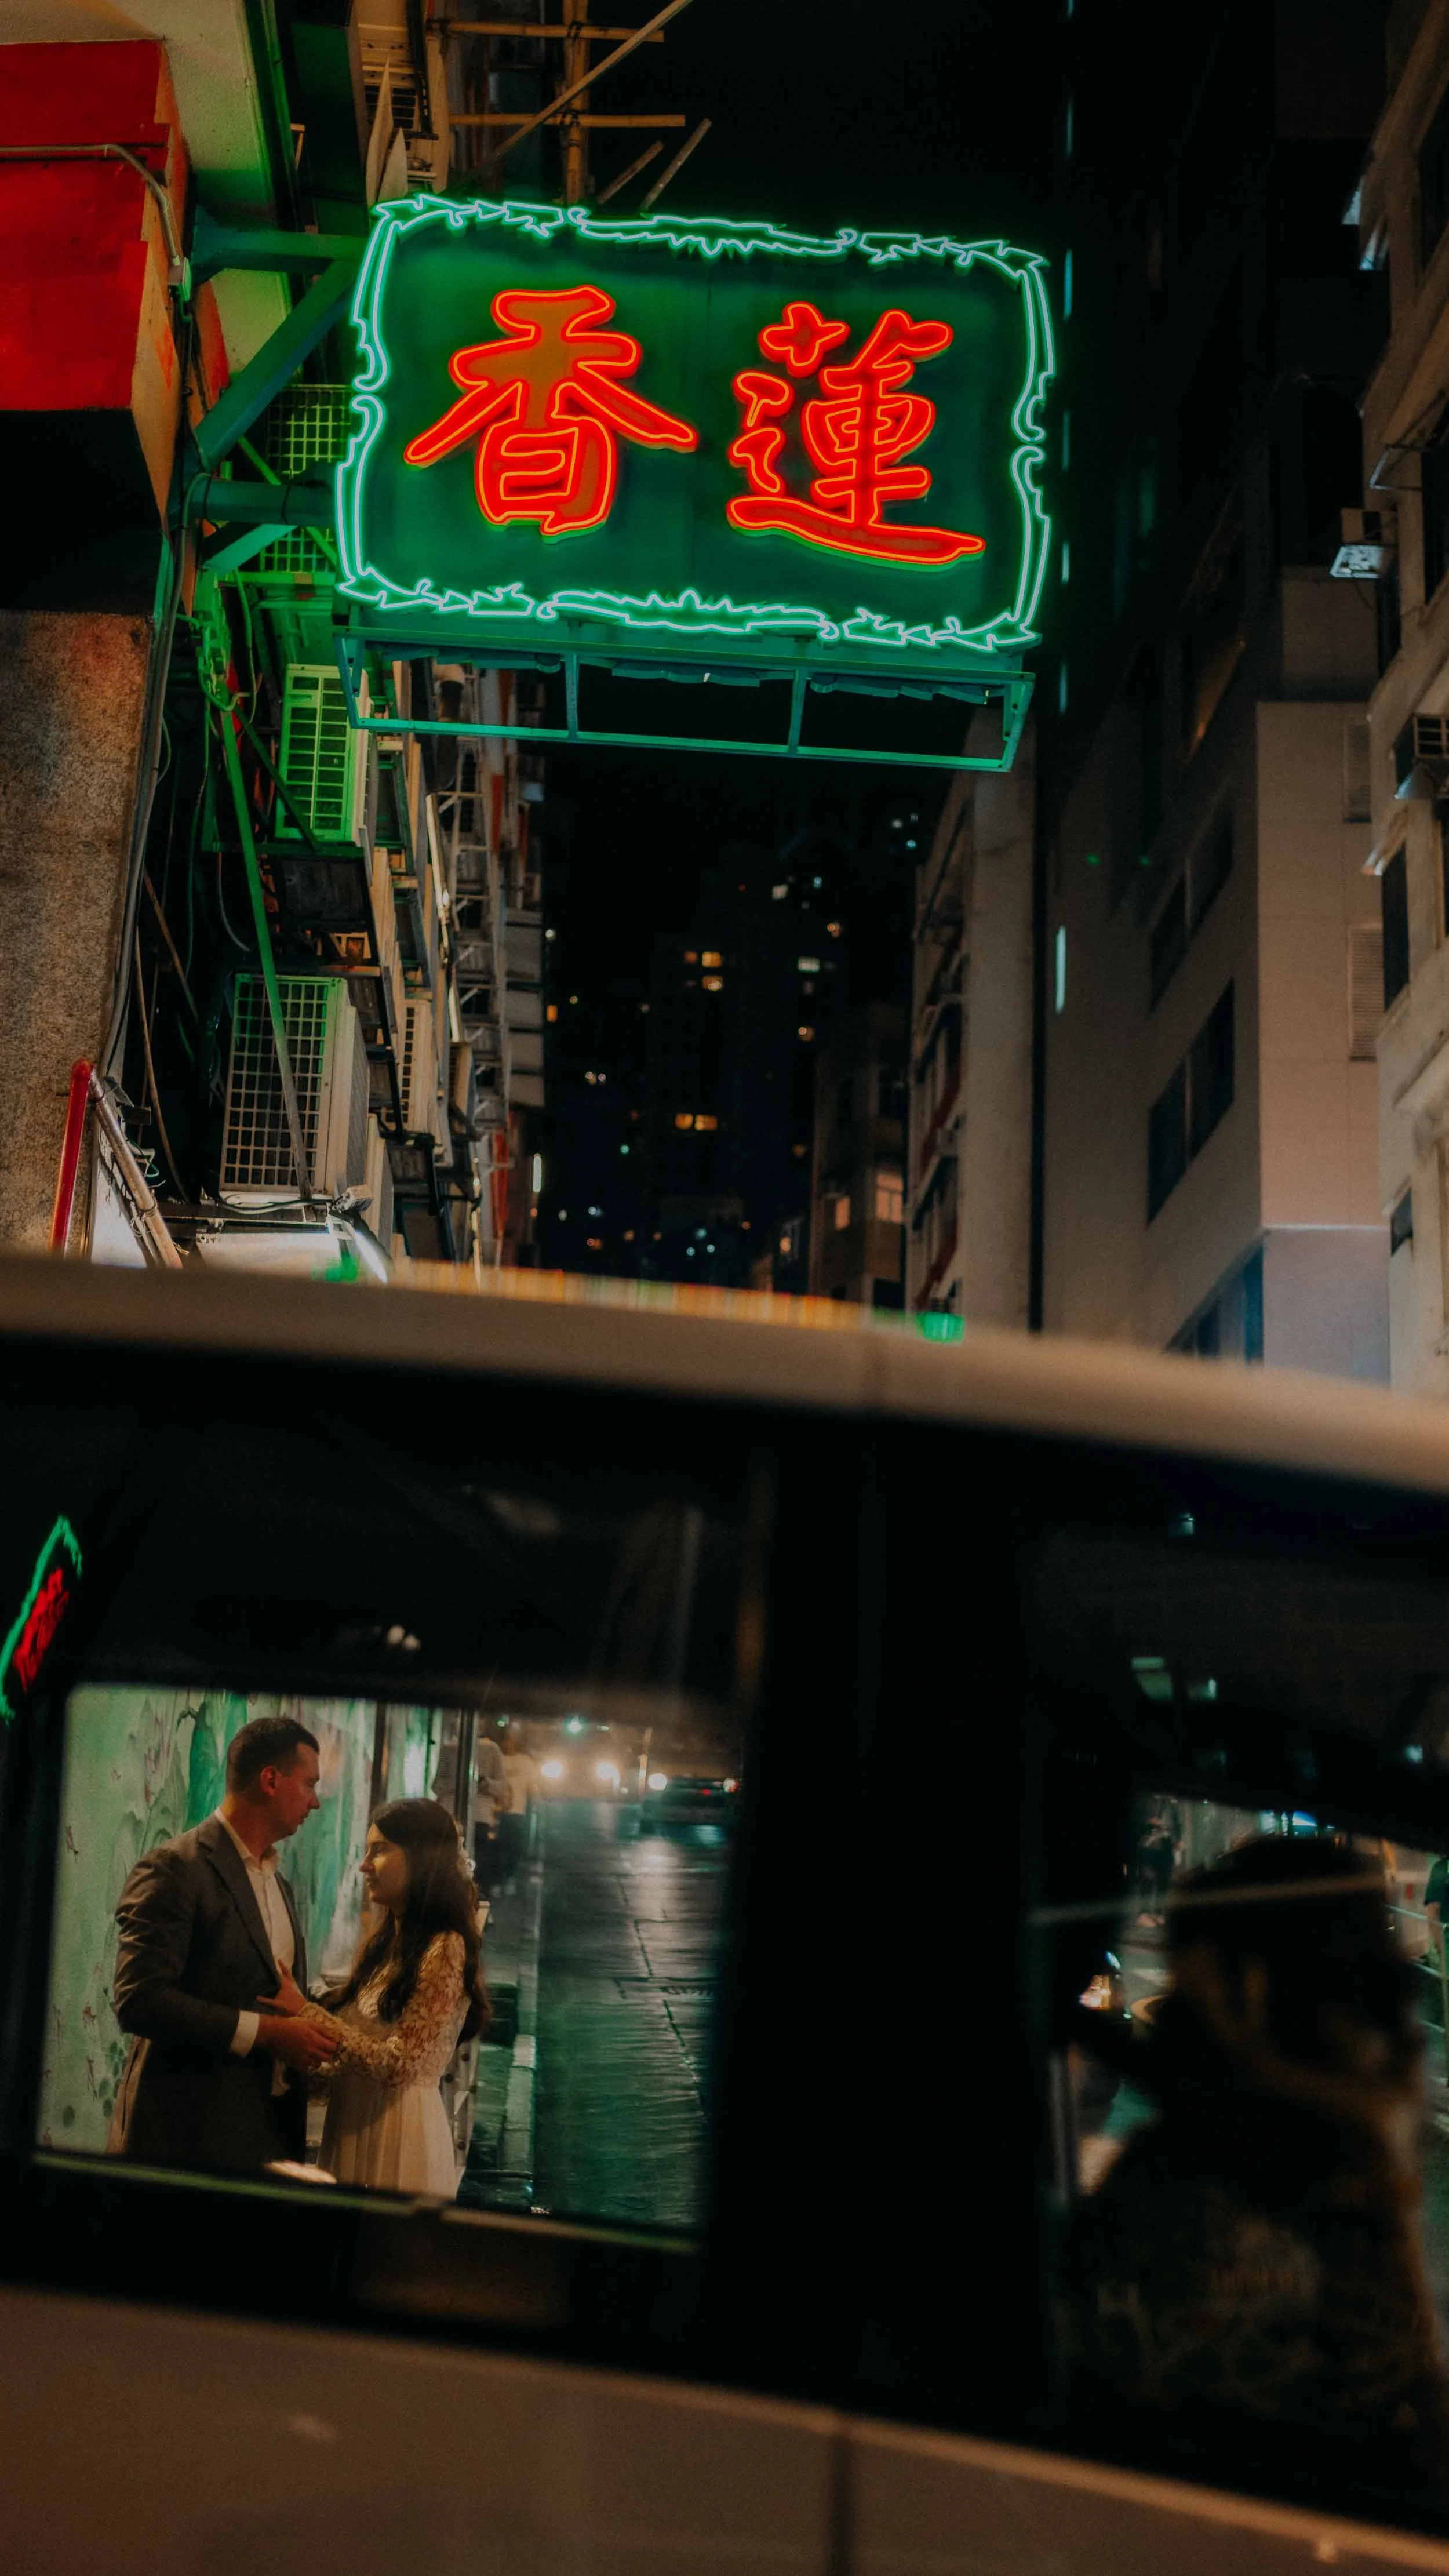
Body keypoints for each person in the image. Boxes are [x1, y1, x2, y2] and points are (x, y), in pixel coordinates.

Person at [1066, 1832, 1449, 2509]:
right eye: (1357, 1964)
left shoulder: (1326, 2172)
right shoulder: (1216, 2217)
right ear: (1247, 1991)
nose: (1399, 2005)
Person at [107, 1716, 339, 2175]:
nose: (314, 1802)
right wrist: (270, 2034)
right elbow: (140, 2000)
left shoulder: (280, 1884)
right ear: (270, 1780)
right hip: (186, 2139)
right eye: (309, 1784)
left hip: (267, 2136)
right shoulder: (175, 1868)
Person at [265, 1798, 489, 2196]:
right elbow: (357, 2053)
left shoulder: (446, 1947)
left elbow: (397, 2065)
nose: (365, 1865)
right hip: (352, 2123)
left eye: (380, 1850)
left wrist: (305, 2011)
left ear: (421, 1858)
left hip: (399, 2135)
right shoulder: (388, 1945)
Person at [472, 1724, 509, 1898]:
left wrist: (483, 1782)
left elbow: (500, 1787)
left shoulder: (492, 1750)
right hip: (453, 1816)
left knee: (480, 1862)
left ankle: (478, 1899)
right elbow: (438, 1785)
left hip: (480, 1818)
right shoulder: (450, 1747)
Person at [499, 1738, 540, 1885]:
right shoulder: (498, 1758)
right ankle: (500, 1879)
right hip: (498, 1812)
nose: (508, 1744)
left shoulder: (525, 1762)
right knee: (499, 1848)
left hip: (518, 1812)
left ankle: (510, 1877)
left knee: (514, 1848)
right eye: (506, 1740)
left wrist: (534, 1805)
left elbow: (532, 1786)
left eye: (511, 1740)